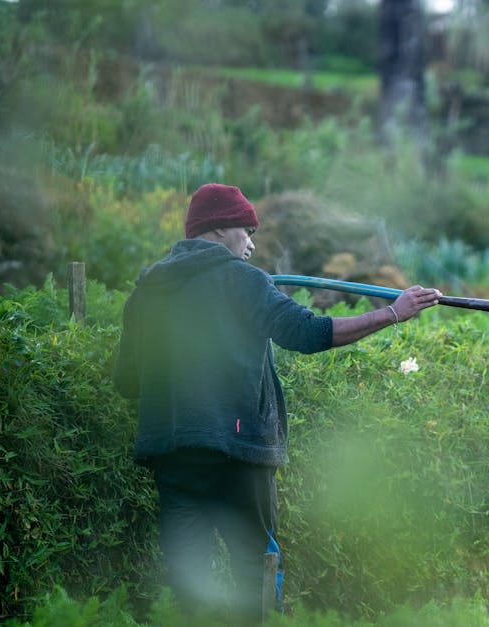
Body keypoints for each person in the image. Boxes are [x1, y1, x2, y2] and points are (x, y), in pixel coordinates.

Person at [113, 183, 440, 623]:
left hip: (173, 457)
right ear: (218, 231)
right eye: (246, 232)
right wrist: (393, 312)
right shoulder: (244, 281)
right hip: (238, 455)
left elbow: (127, 382)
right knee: (257, 571)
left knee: (187, 583)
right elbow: (307, 333)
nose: (250, 244)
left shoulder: (148, 289)